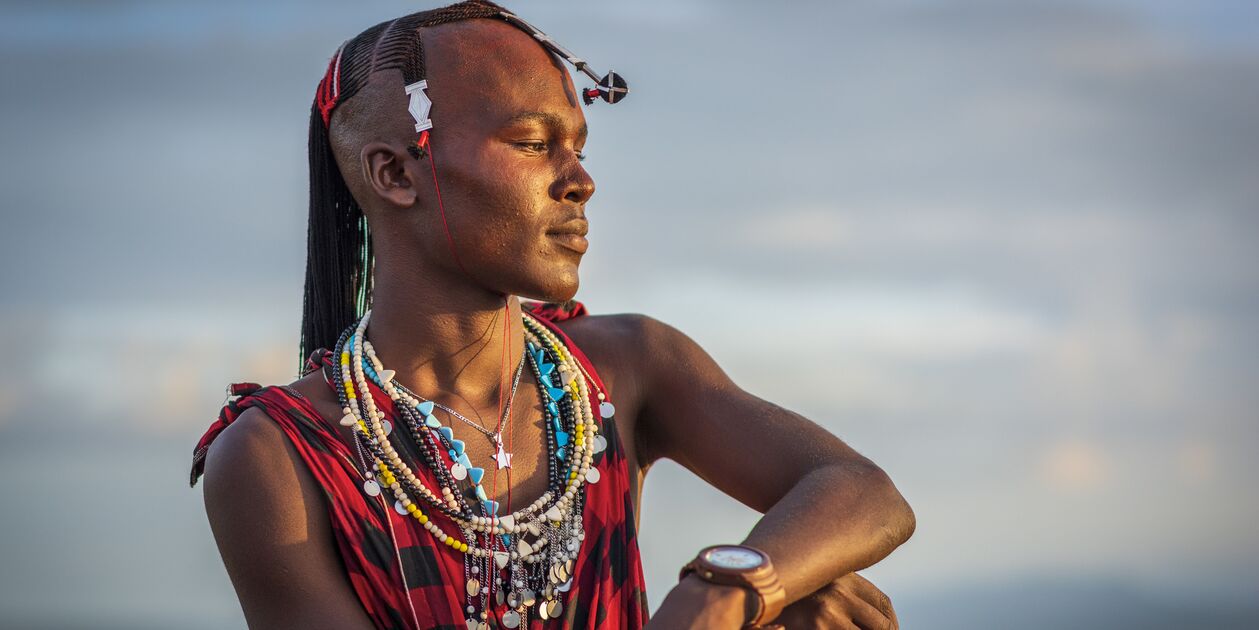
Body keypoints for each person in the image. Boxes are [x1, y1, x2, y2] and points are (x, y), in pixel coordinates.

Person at [189, 2, 915, 628]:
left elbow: (863, 493)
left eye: (578, 147)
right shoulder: (277, 457)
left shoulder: (624, 365)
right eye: (534, 145)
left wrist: (733, 589)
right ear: (397, 173)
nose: (580, 181)